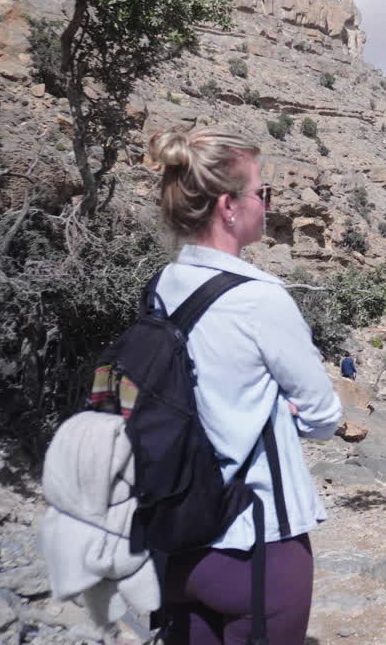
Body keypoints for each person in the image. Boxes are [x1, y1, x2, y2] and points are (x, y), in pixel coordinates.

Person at [147, 126, 342, 645]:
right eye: (262, 192)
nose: (268, 204)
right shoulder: (260, 298)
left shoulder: (162, 286)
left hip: (177, 537)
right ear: (229, 207)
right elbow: (324, 416)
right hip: (258, 543)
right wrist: (284, 410)